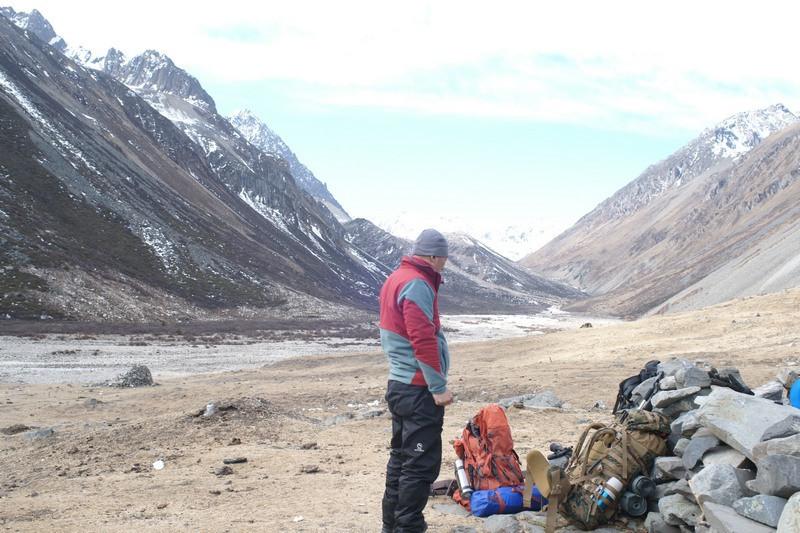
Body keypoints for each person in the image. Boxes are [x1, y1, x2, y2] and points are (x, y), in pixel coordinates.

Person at [379, 228, 453, 533]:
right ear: (435, 256)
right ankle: (408, 528)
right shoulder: (417, 283)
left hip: (400, 384)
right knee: (419, 465)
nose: (445, 264)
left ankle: (391, 527)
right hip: (418, 388)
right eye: (445, 258)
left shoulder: (396, 277)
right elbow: (421, 337)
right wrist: (438, 387)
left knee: (400, 461)